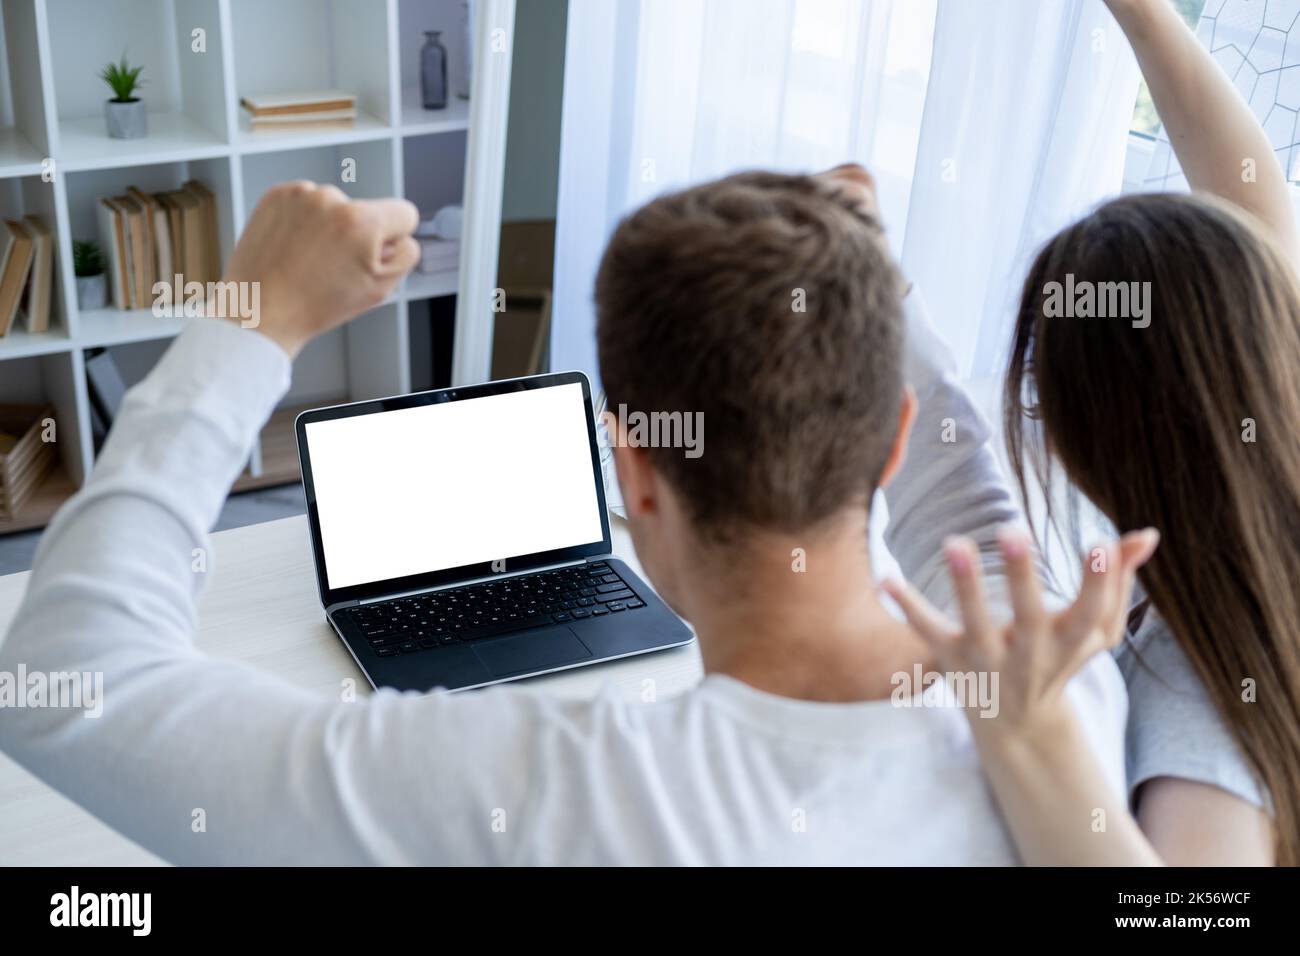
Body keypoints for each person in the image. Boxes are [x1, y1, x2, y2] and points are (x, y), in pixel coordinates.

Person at [0, 167, 1133, 864]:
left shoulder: (534, 793)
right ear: (886, 436)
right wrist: (871, 278)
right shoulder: (1057, 692)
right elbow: (967, 488)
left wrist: (261, 311)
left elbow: (65, 681)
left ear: (631, 474)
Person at [886, 0, 1300, 866]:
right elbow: (1256, 213)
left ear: (1086, 445)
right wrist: (1144, 16)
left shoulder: (1203, 680)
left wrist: (1027, 734)